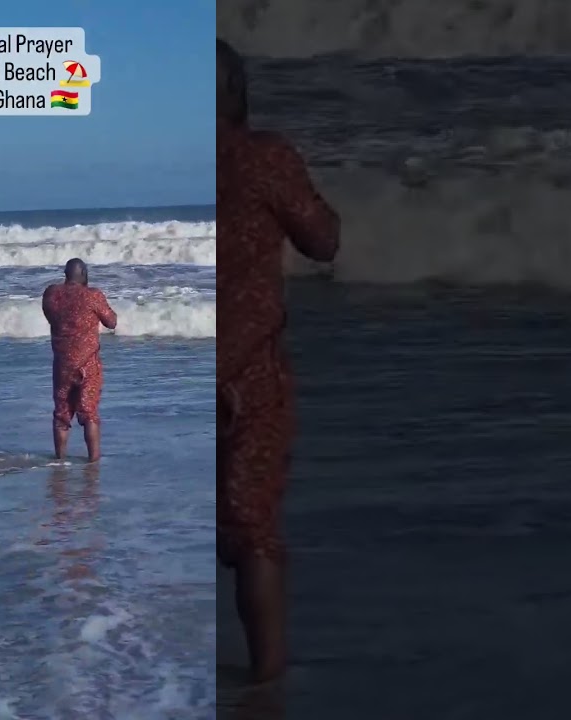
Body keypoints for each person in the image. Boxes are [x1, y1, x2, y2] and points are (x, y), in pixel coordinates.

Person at [217, 37, 341, 684]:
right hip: (250, 373)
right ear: (238, 95)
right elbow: (322, 241)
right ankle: (266, 683)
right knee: (253, 528)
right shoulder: (265, 159)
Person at [42, 258, 117, 462]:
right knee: (89, 413)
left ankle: (60, 460)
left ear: (65, 274)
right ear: (83, 273)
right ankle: (93, 460)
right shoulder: (92, 296)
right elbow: (111, 322)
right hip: (88, 363)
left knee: (61, 415)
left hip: (62, 364)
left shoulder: (52, 294)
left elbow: (50, 316)